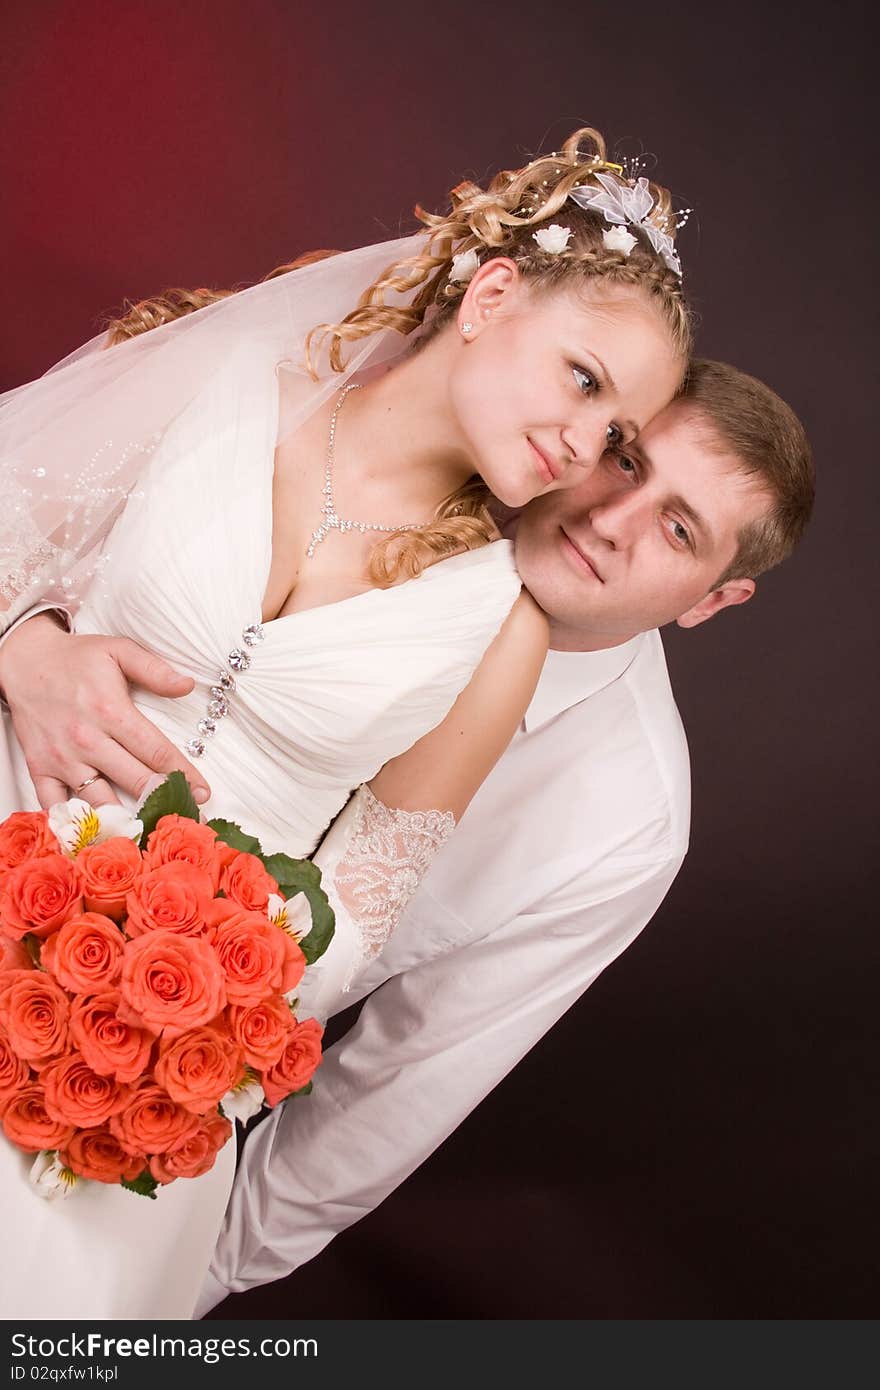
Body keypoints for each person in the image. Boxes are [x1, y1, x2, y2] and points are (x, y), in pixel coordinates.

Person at [0, 126, 689, 1319]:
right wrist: (20, 644)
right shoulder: (222, 380)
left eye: (616, 431)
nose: (587, 447)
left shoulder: (499, 626)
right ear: (490, 293)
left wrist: (192, 997)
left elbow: (362, 907)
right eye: (584, 380)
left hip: (138, 1033)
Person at [190, 357, 814, 1314]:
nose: (612, 521)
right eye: (626, 462)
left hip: (141, 1084)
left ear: (713, 600)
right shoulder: (366, 475)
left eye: (678, 530)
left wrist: (158, 1290)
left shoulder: (626, 826)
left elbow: (384, 1101)